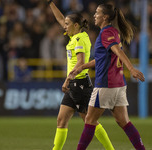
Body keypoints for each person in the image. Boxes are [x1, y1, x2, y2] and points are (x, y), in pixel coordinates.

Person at [67, 4, 146, 150]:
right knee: (124, 121)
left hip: (106, 84)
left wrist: (131, 68)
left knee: (89, 120)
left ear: (105, 17)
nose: (94, 15)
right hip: (119, 85)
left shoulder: (105, 33)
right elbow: (102, 58)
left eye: (97, 13)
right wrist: (82, 67)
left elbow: (117, 52)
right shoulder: (113, 32)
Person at [46, 1, 114, 150]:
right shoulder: (75, 36)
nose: (64, 26)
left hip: (80, 85)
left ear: (76, 25)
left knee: (90, 122)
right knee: (61, 120)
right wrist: (51, 4)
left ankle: (111, 149)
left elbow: (81, 62)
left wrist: (67, 79)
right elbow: (60, 19)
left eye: (67, 24)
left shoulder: (79, 39)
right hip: (74, 85)